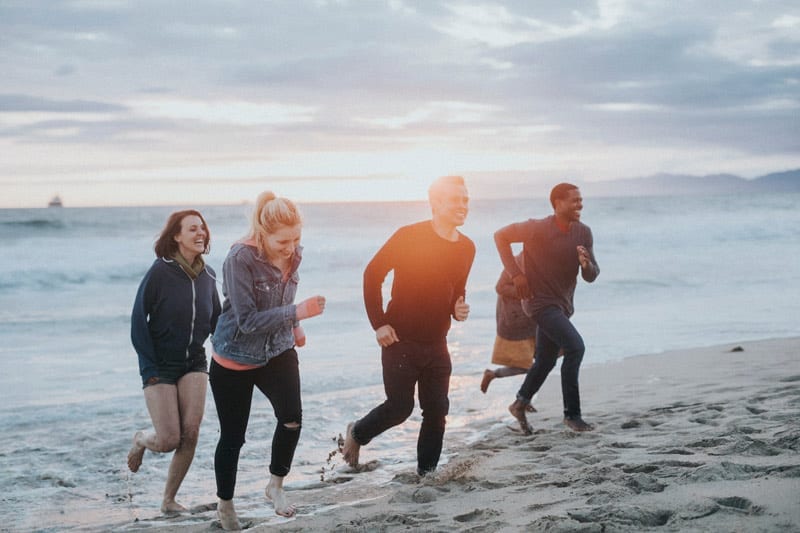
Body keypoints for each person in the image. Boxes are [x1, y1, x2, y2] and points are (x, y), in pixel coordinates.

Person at [341, 175, 476, 477]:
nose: (463, 205)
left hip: (437, 342)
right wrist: (379, 324)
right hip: (400, 340)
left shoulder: (467, 248)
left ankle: (425, 476)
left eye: (466, 199)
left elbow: (457, 289)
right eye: (455, 199)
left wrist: (458, 307)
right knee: (400, 408)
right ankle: (358, 433)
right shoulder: (409, 236)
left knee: (437, 409)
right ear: (435, 204)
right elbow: (372, 275)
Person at [209, 191, 325, 530]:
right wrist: (297, 312)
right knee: (233, 437)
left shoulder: (294, 253)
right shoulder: (239, 259)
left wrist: (296, 325)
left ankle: (275, 486)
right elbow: (246, 320)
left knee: (292, 419)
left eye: (296, 239)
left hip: (278, 349)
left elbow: (284, 294)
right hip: (235, 355)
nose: (291, 248)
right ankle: (226, 504)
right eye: (283, 241)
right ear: (263, 232)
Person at [128, 209, 221, 514]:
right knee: (169, 439)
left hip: (194, 360)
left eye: (202, 229)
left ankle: (169, 501)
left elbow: (217, 321)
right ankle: (142, 439)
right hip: (160, 363)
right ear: (177, 236)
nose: (200, 234)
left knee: (191, 433)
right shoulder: (160, 271)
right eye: (193, 229)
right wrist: (150, 366)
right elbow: (138, 320)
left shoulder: (208, 275)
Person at [494, 183, 599, 434]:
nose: (580, 205)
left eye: (581, 200)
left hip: (563, 304)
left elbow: (592, 275)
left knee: (545, 360)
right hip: (538, 303)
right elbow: (500, 236)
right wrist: (517, 275)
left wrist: (585, 265)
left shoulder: (583, 233)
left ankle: (520, 403)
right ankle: (572, 415)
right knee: (575, 348)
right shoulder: (536, 228)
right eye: (574, 200)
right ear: (557, 203)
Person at [480, 253, 537, 399]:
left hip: (533, 318)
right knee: (526, 365)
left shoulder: (541, 259)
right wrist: (527, 293)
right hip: (518, 319)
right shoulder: (517, 262)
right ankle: (495, 376)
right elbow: (500, 287)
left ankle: (524, 397)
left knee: (548, 357)